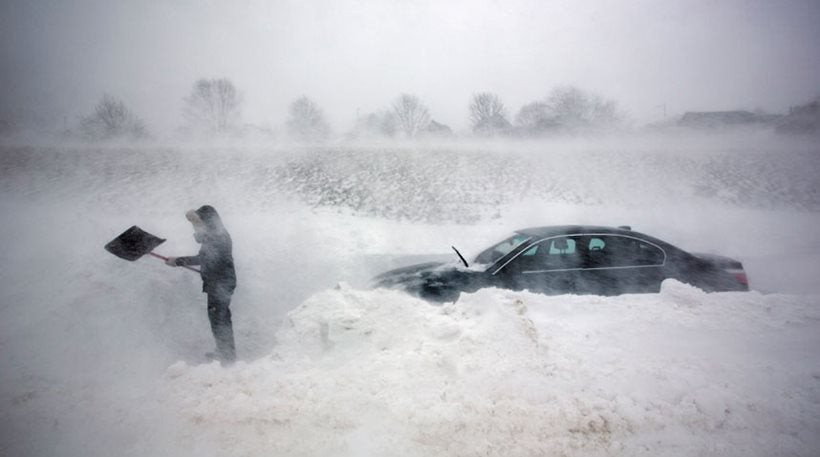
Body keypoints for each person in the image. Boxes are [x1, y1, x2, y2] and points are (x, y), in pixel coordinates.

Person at [165, 205, 237, 363]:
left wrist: (177, 261)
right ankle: (224, 351)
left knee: (220, 319)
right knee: (218, 318)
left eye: (200, 222)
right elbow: (205, 255)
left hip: (221, 283)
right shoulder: (215, 235)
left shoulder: (218, 237)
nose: (197, 227)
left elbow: (203, 259)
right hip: (218, 281)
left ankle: (227, 356)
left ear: (208, 222)